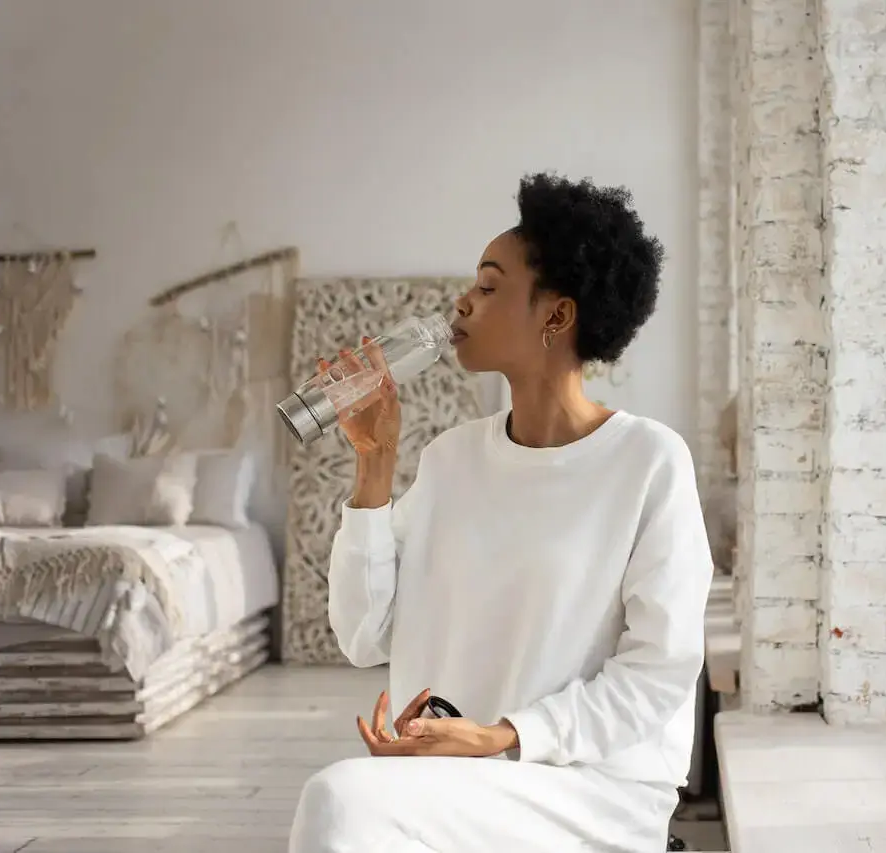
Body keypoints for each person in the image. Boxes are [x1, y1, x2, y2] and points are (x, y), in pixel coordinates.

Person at [288, 173, 714, 853]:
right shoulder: (450, 460)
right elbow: (363, 635)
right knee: (349, 806)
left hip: (588, 790)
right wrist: (373, 466)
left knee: (339, 800)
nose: (463, 301)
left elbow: (659, 671)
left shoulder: (649, 462)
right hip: (462, 780)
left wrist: (503, 736)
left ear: (557, 315)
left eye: (489, 286)